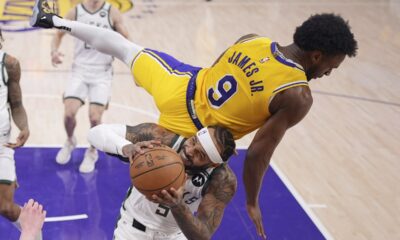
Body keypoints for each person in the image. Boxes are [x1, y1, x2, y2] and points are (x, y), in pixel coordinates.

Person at [31, 2, 358, 237]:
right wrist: (253, 201)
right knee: (177, 168)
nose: (329, 72)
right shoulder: (298, 95)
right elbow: (258, 152)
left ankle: (55, 21)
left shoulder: (252, 39)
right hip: (194, 130)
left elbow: (214, 69)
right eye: (332, 65)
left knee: (126, 49)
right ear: (316, 55)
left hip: (181, 85)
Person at [88, 123, 237, 240]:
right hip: (132, 231)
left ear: (214, 164)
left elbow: (203, 235)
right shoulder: (162, 139)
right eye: (193, 141)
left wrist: (177, 206)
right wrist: (126, 147)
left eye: (200, 154)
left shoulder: (222, 180)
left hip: (175, 235)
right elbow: (94, 133)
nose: (189, 151)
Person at [50, 0, 130, 173]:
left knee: (95, 118)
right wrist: (54, 52)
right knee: (69, 114)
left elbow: (127, 41)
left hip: (102, 72)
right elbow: (58, 35)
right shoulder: (75, 12)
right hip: (79, 70)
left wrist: (133, 65)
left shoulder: (112, 12)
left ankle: (92, 151)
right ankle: (70, 141)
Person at [0, 29, 34, 238]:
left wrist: (24, 127)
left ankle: (33, 230)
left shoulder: (9, 64)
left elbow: (17, 104)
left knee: (5, 207)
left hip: (1, 145)